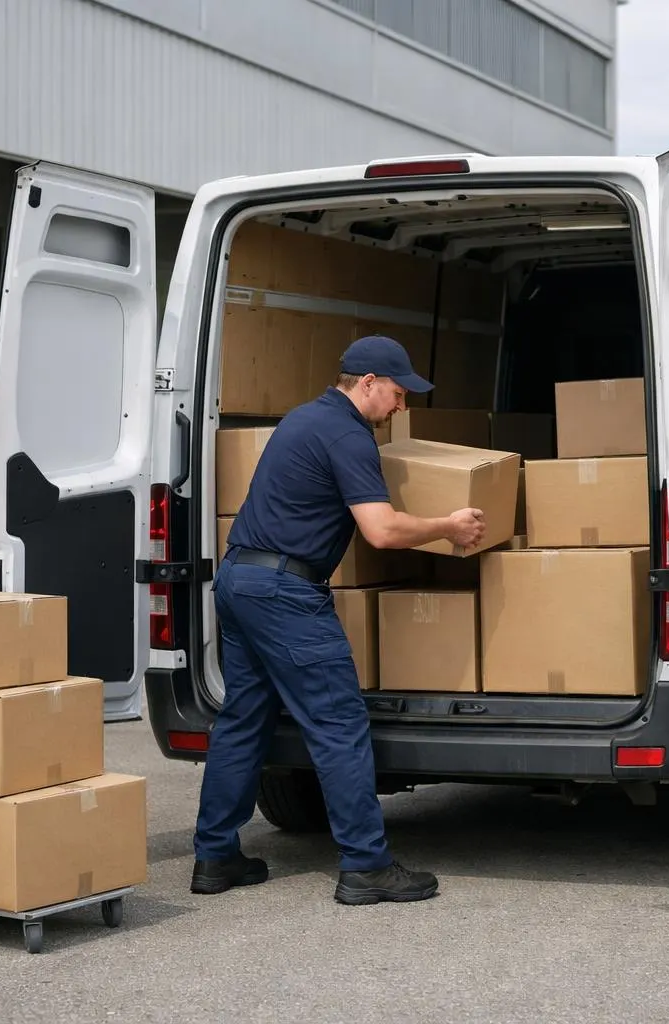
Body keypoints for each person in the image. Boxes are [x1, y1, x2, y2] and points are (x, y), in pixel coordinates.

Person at [190, 334, 486, 905]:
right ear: (368, 384)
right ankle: (366, 866)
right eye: (398, 394)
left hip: (239, 580)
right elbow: (381, 530)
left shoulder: (303, 420)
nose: (401, 407)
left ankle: (216, 856)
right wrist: (448, 526)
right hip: (285, 594)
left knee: (242, 720)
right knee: (338, 725)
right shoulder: (349, 435)